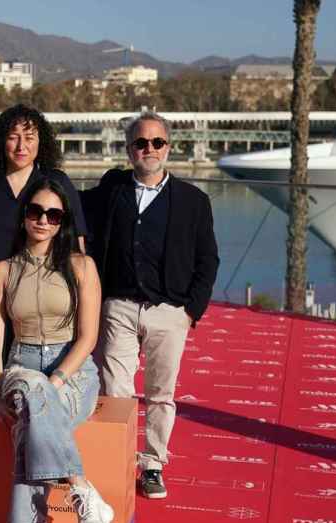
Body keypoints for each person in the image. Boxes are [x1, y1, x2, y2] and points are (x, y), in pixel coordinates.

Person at [85, 111, 219, 500]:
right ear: (129, 150)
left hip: (170, 312)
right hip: (120, 306)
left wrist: (191, 309)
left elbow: (207, 259)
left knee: (161, 393)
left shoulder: (194, 201)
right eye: (141, 143)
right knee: (115, 389)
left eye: (157, 142)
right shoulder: (111, 191)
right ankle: (119, 460)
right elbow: (69, 204)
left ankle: (154, 463)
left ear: (169, 148)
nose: (149, 149)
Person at [0, 177, 110, 523]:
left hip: (72, 369)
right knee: (32, 394)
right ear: (23, 217)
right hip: (21, 364)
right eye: (35, 211)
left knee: (30, 424)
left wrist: (56, 380)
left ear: (62, 222)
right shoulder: (3, 271)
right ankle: (82, 490)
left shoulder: (82, 266)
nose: (43, 220)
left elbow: (88, 337)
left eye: (53, 214)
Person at [0, 104, 89, 411]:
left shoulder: (55, 182)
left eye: (30, 137)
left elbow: (78, 246)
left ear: (41, 142)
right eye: (13, 137)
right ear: (0, 141)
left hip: (40, 302)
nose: (21, 146)